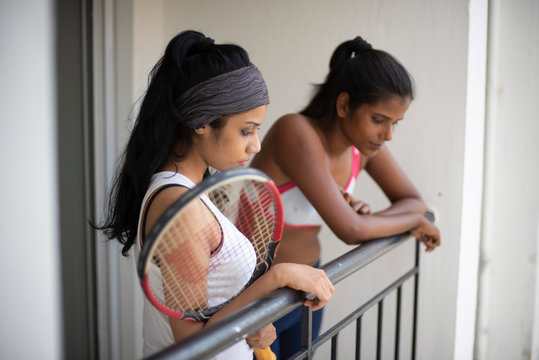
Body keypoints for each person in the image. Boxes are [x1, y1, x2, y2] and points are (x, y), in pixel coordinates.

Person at [96, 30, 334, 359]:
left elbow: (210, 305)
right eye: (246, 130)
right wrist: (277, 276)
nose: (257, 145)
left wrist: (251, 319)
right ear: (201, 123)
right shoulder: (181, 208)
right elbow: (192, 342)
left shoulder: (192, 190)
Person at [250, 35, 441, 358]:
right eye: (379, 120)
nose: (388, 135)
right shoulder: (295, 132)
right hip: (258, 295)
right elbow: (350, 230)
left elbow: (412, 199)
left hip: (308, 287)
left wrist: (377, 219)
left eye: (395, 123)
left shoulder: (362, 148)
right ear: (343, 105)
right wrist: (412, 221)